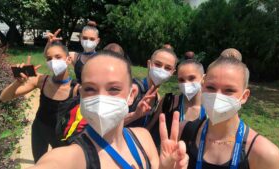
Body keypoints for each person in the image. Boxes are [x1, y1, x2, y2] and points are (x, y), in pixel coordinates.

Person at [28, 50, 189, 169]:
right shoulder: (69, 159)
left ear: (130, 94)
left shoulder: (143, 138)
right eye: (90, 89)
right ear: (81, 93)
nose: (101, 98)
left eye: (113, 89)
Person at [179, 57, 279, 169]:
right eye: (211, 87)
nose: (217, 96)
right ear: (202, 87)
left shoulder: (264, 154)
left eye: (229, 90)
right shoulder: (184, 131)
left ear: (244, 96)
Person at [0, 42, 79, 162]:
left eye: (58, 57)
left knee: (61, 163)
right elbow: (4, 98)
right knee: (39, 161)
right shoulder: (42, 80)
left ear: (68, 59)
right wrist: (18, 81)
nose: (53, 61)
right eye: (49, 58)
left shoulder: (76, 89)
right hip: (39, 129)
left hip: (61, 136)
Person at [124, 48, 178, 127]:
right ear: (149, 64)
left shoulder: (157, 97)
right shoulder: (133, 89)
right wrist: (134, 115)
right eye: (158, 64)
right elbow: (108, 124)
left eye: (167, 68)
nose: (161, 70)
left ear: (173, 73)